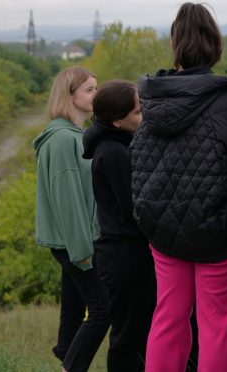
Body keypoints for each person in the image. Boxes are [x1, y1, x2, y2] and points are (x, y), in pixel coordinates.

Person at [131, 2, 227, 372]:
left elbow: (136, 164)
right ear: (215, 44)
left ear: (174, 44)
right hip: (219, 233)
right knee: (217, 325)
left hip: (164, 232)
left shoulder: (151, 102)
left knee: (168, 318)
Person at [34, 67, 109, 372]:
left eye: (96, 87)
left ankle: (66, 355)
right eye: (89, 89)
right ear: (70, 95)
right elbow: (68, 201)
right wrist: (84, 253)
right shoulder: (63, 140)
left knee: (74, 308)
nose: (96, 94)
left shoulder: (77, 135)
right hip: (75, 243)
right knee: (103, 311)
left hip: (76, 240)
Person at [82, 80, 155, 371]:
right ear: (116, 121)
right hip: (125, 257)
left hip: (125, 254)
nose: (144, 115)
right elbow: (134, 207)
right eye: (138, 112)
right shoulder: (113, 152)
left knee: (137, 331)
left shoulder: (117, 144)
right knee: (129, 336)